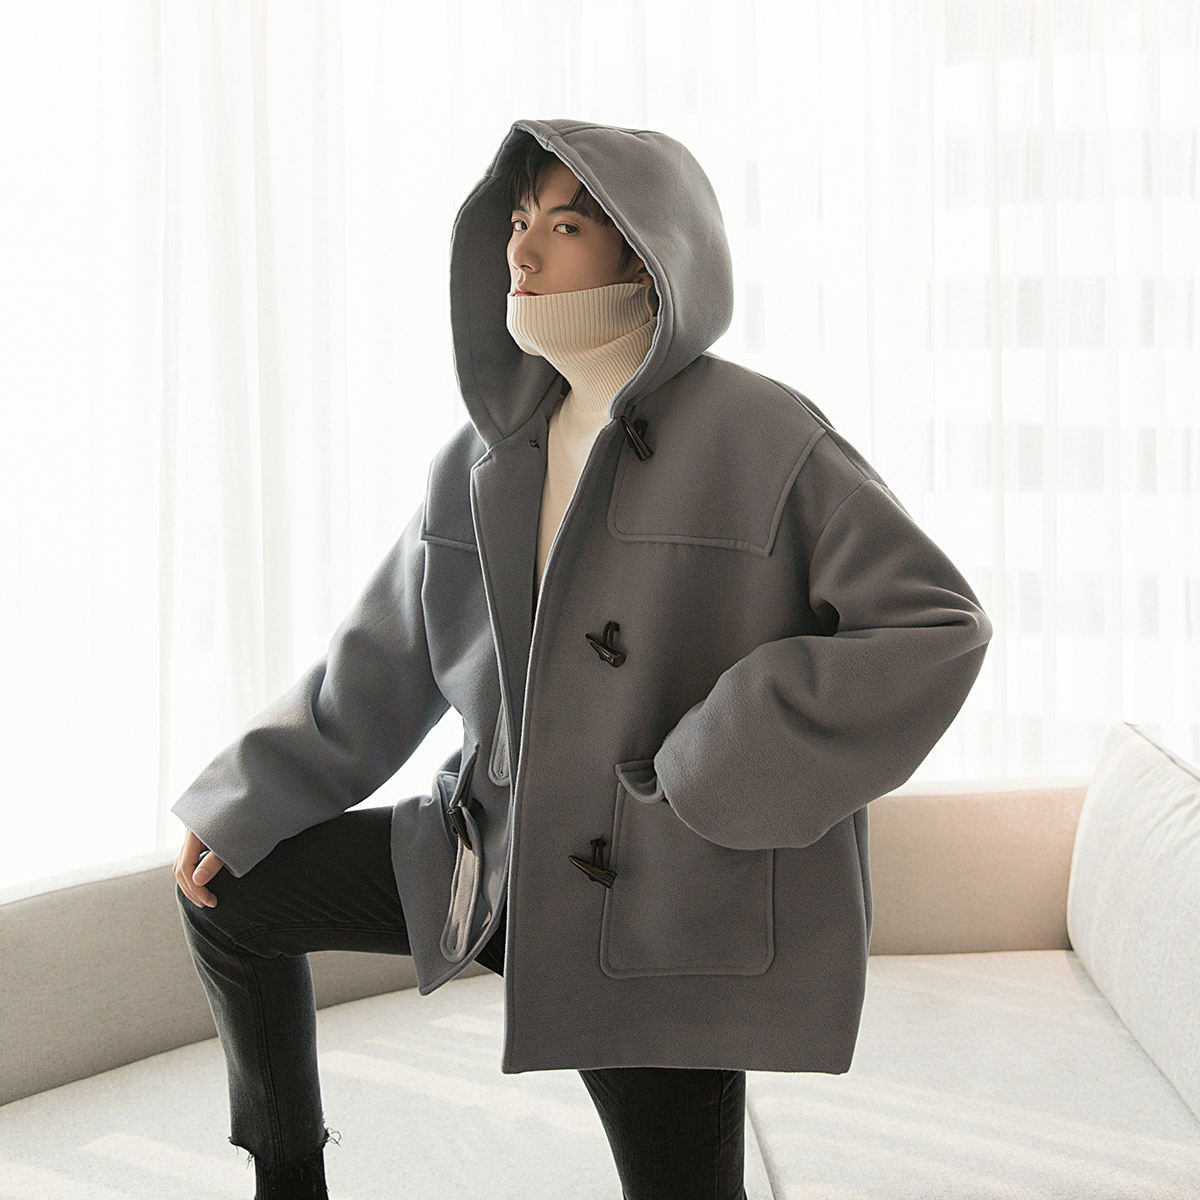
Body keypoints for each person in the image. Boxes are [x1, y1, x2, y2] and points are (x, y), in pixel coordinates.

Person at [173, 118, 992, 1200]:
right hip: (491, 861)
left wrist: (710, 765)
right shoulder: (486, 456)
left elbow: (935, 625)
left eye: (564, 225)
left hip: (660, 901)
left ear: (647, 256)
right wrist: (250, 795)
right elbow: (377, 664)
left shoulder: (762, 435)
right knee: (231, 894)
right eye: (519, 221)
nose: (522, 248)